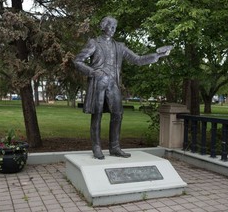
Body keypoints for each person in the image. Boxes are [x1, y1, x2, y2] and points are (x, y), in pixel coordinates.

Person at [74, 16, 172, 159]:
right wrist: (91, 71)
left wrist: (157, 55)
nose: (113, 30)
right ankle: (96, 147)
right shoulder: (94, 43)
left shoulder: (119, 46)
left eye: (115, 27)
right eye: (111, 26)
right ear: (103, 26)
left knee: (118, 114)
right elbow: (78, 61)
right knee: (97, 115)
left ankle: (115, 147)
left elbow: (137, 59)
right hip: (99, 83)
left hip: (113, 84)